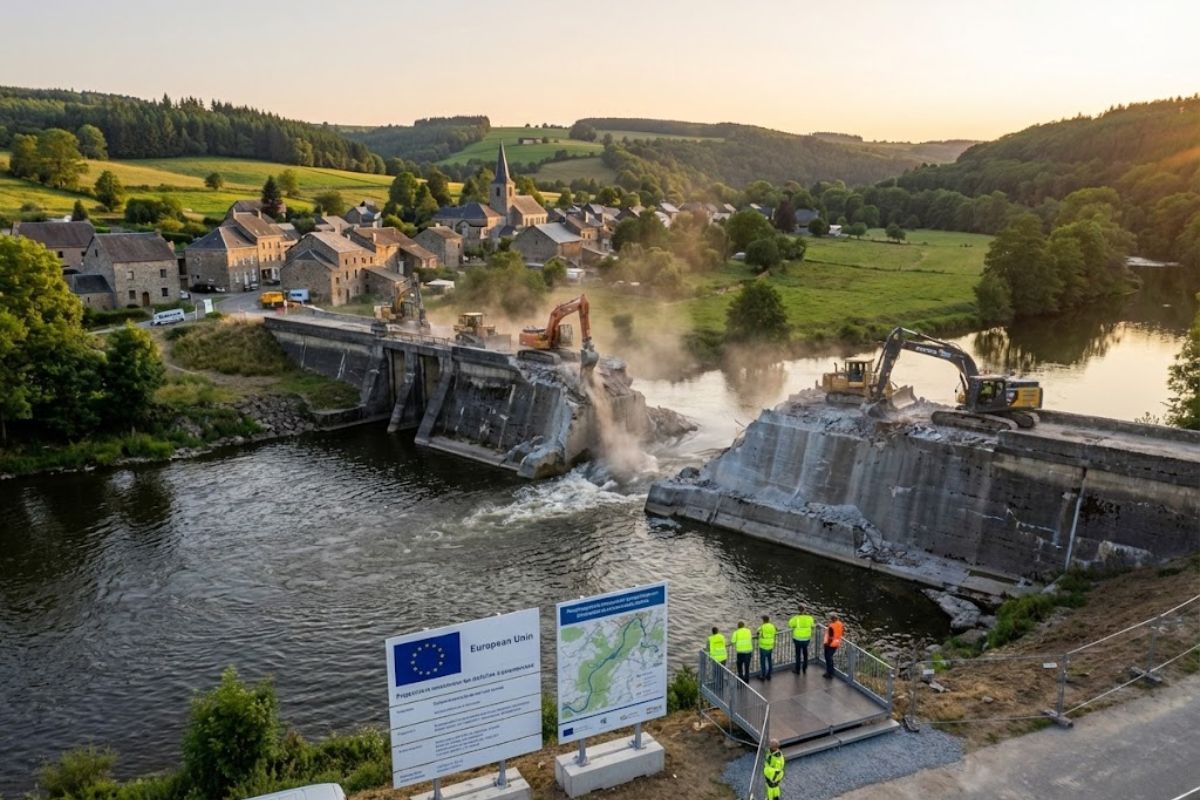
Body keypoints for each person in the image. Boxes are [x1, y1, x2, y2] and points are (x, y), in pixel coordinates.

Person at [787, 608, 814, 675]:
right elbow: (812, 625)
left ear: (799, 610)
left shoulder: (796, 618)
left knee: (798, 654)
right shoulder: (810, 618)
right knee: (805, 653)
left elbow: (790, 624)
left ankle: (797, 670)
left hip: (797, 639)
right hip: (806, 639)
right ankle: (804, 668)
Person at [823, 613, 844, 679]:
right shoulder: (840, 624)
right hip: (836, 643)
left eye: (831, 619)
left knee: (828, 658)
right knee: (830, 658)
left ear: (832, 619)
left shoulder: (832, 626)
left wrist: (826, 644)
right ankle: (831, 671)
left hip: (830, 644)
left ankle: (829, 673)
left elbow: (830, 637)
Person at [707, 626, 727, 693]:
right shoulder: (722, 637)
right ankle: (721, 686)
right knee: (721, 672)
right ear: (718, 631)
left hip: (715, 658)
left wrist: (709, 657)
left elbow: (708, 648)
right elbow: (724, 644)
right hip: (723, 657)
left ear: (712, 632)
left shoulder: (710, 639)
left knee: (715, 673)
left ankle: (717, 687)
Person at [758, 614, 777, 681]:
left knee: (763, 662)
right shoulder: (772, 626)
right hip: (770, 645)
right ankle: (769, 675)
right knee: (769, 661)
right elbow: (775, 631)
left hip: (763, 646)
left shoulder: (762, 627)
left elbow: (758, 632)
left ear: (763, 620)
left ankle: (763, 675)